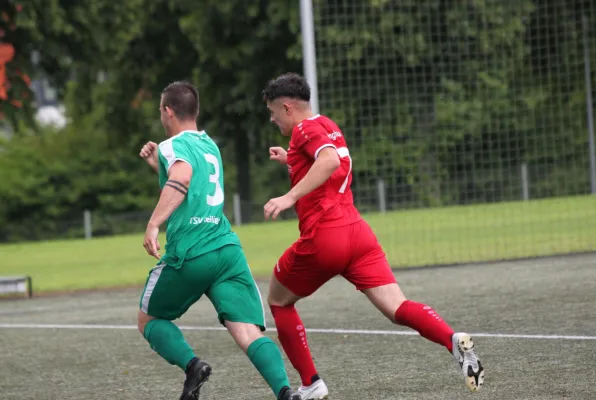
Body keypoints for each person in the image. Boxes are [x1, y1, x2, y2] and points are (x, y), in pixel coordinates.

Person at [261, 73, 484, 399]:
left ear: (287, 107)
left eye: (272, 112)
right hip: (357, 234)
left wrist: (288, 197)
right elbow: (327, 162)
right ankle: (453, 340)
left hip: (325, 236)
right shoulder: (326, 124)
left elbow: (328, 160)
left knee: (279, 301)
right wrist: (291, 160)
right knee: (398, 307)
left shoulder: (304, 129)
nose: (272, 118)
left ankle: (311, 383)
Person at [137, 80, 301, 400]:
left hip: (192, 252)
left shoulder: (172, 144)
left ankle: (193, 365)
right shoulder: (209, 144)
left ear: (168, 111)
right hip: (226, 249)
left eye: (161, 110)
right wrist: (159, 164)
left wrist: (154, 223)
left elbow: (182, 177)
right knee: (247, 332)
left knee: (149, 319)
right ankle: (286, 392)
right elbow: (190, 183)